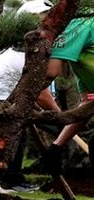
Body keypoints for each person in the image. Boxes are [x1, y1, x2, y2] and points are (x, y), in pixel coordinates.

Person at [37, 14, 94, 174]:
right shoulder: (85, 65)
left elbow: (49, 73)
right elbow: (87, 106)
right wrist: (57, 146)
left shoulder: (80, 24)